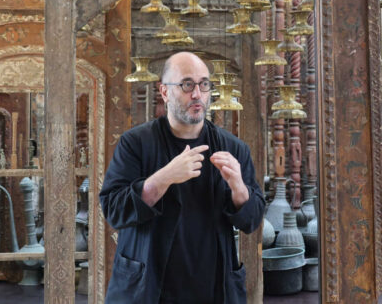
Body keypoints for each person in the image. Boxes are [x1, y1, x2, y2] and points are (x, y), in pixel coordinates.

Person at [100, 52, 265, 303]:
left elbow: (252, 221)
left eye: (204, 84)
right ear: (164, 91)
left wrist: (239, 189)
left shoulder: (233, 148)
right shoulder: (135, 143)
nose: (197, 94)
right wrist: (163, 178)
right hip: (149, 287)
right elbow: (113, 210)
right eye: (187, 85)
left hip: (213, 288)